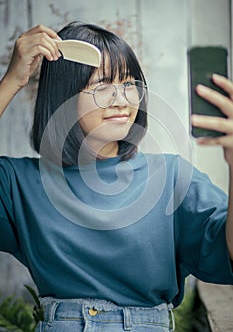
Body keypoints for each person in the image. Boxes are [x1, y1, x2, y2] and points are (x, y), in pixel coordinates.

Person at [0, 22, 233, 332]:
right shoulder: (19, 183)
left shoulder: (171, 177)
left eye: (129, 83)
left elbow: (228, 254)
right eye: (102, 86)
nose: (122, 100)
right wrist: (12, 81)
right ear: (63, 97)